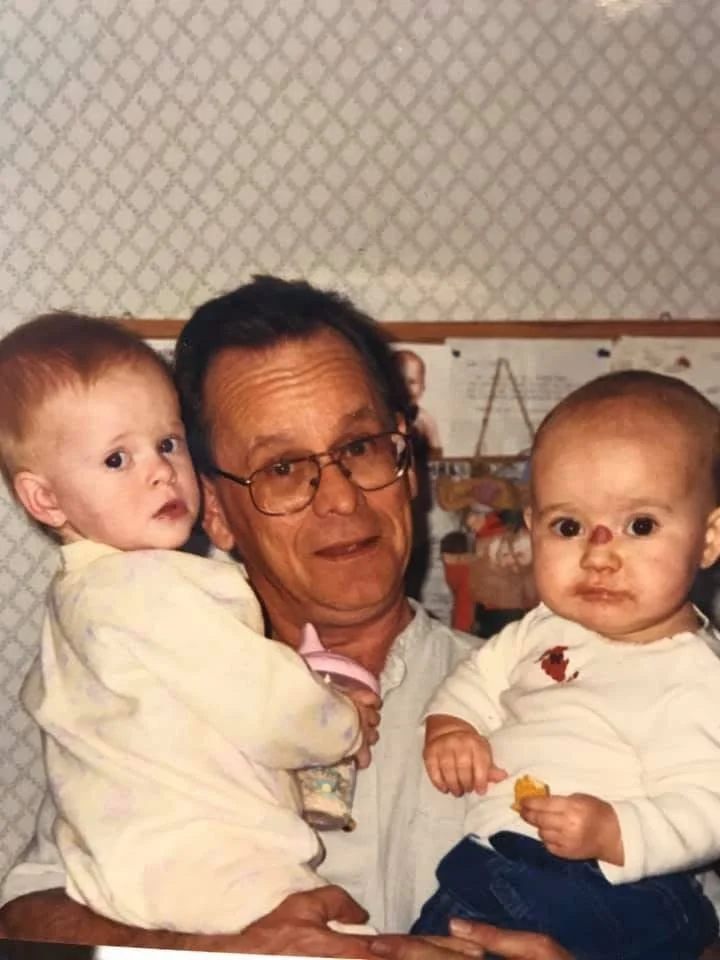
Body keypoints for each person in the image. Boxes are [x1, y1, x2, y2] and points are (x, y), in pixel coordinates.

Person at [0, 278, 651, 960]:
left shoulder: (556, 689)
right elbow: (25, 916)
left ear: (407, 464)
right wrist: (212, 949)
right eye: (283, 467)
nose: (340, 498)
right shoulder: (148, 689)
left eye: (361, 447)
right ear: (215, 510)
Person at [0, 312, 380, 935]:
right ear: (45, 499)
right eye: (117, 458)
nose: (159, 470)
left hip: (126, 876)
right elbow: (267, 703)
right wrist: (341, 720)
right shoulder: (149, 587)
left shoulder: (78, 602)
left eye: (168, 443)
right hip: (221, 871)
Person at [414, 370, 720, 958]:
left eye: (640, 526)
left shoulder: (695, 674)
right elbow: (476, 679)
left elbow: (709, 803)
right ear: (532, 529)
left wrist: (615, 830)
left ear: (707, 540)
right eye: (568, 526)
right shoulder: (540, 628)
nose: (599, 555)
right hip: (496, 861)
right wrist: (451, 727)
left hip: (615, 886)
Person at [394, 349, 442, 453]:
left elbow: (436, 453)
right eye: (399, 381)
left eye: (412, 382)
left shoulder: (425, 420)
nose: (405, 388)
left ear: (423, 386)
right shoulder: (382, 417)